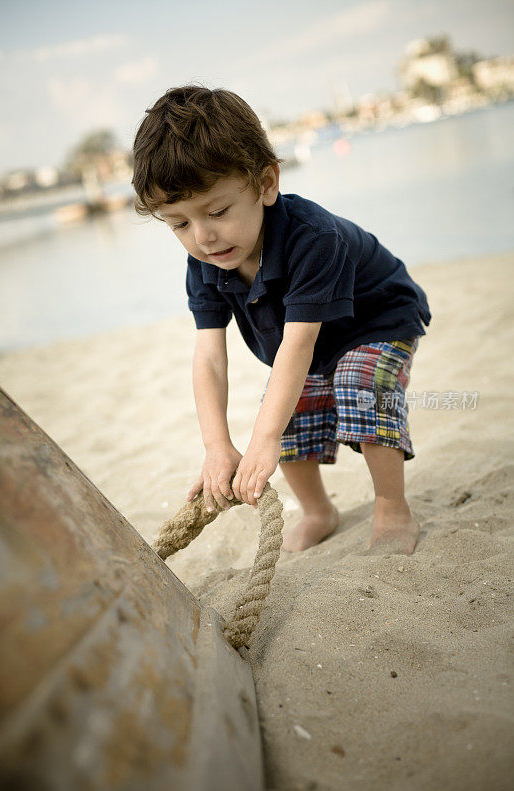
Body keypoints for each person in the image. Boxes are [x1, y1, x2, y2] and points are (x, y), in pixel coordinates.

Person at [131, 85, 432, 555]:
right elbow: (209, 357)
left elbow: (298, 345)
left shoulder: (313, 238)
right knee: (283, 410)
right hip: (310, 341)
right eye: (180, 224)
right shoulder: (206, 264)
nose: (204, 236)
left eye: (217, 211)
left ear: (267, 184)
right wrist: (218, 445)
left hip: (377, 319)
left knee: (357, 382)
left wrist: (262, 440)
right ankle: (318, 511)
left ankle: (393, 508)